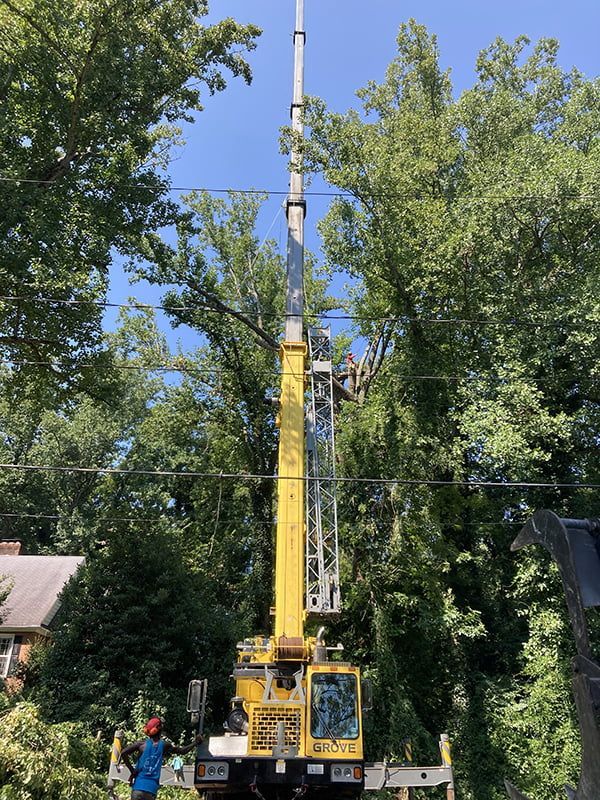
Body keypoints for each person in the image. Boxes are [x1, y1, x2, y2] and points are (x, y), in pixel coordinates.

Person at [120, 716, 203, 800]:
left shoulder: (141, 745)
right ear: (159, 729)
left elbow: (123, 753)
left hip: (137, 789)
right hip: (151, 790)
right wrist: (195, 742)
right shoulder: (164, 745)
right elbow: (182, 751)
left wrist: (132, 770)